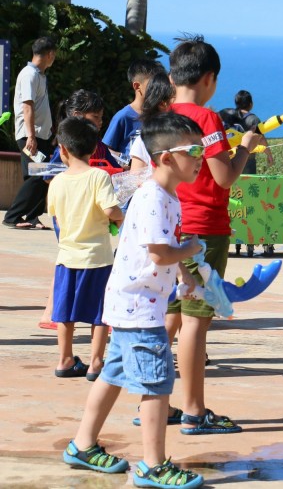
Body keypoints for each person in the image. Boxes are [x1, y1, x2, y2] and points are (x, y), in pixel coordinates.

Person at [62, 112, 205, 489]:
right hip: (139, 308)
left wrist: (187, 274)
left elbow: (165, 251)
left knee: (112, 375)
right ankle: (154, 465)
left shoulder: (167, 196)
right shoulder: (155, 198)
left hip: (132, 303)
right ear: (166, 158)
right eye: (194, 150)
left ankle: (82, 444)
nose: (201, 157)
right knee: (157, 383)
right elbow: (160, 253)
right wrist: (194, 247)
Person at [167, 35, 264, 435]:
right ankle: (194, 410)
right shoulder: (206, 120)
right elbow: (223, 178)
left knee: (169, 316)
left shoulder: (161, 115)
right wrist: (245, 147)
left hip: (167, 227)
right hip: (204, 229)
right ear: (209, 79)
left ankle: (155, 402)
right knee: (197, 320)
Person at [46, 117, 123, 379]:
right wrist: (121, 218)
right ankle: (96, 363)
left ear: (62, 149)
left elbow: (55, 216)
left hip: (66, 258)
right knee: (100, 313)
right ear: (94, 149)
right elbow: (111, 209)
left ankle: (65, 359)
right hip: (97, 258)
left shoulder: (56, 182)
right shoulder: (99, 176)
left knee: (64, 313)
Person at [3, 36, 57, 230]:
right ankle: (12, 216)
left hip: (40, 135)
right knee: (37, 176)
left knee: (42, 176)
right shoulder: (29, 74)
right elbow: (27, 106)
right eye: (54, 55)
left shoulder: (40, 75)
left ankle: (33, 217)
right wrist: (31, 136)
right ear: (50, 54)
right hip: (29, 136)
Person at [101, 59, 165, 166]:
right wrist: (128, 161)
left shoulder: (162, 114)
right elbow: (105, 150)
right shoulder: (123, 117)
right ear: (137, 86)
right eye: (153, 84)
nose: (158, 88)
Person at [129, 71, 177, 170]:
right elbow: (136, 179)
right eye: (176, 98)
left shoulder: (185, 136)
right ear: (162, 104)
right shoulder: (142, 141)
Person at [218, 89, 273, 174]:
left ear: (236, 103)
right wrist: (269, 155)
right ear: (251, 104)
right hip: (246, 158)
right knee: (247, 183)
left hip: (227, 155)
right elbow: (261, 139)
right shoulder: (253, 119)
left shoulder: (226, 113)